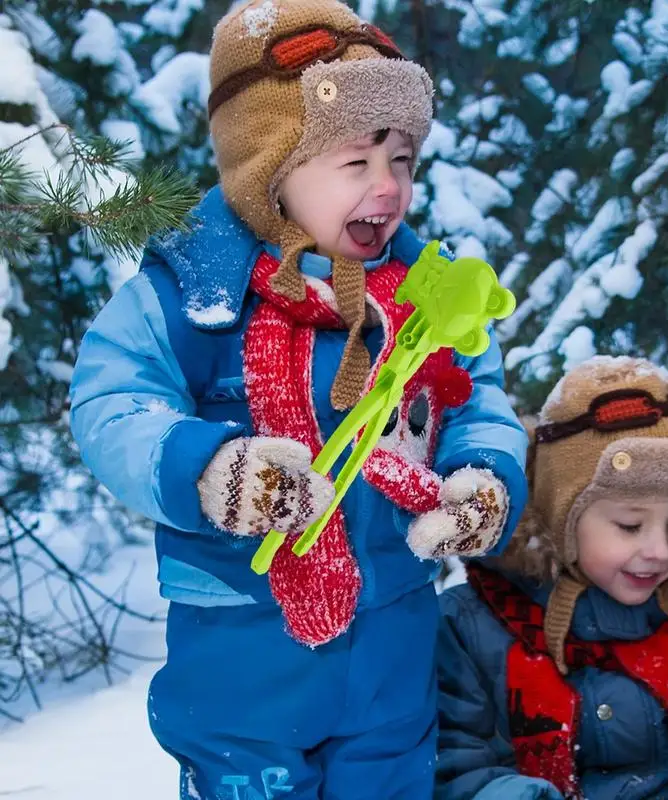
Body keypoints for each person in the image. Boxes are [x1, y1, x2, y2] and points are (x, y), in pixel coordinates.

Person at [68, 1, 528, 798]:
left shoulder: (424, 298)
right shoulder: (190, 297)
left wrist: (482, 476)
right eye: (357, 161)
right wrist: (209, 466)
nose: (388, 186)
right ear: (270, 171)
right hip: (243, 652)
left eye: (405, 159)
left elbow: (479, 400)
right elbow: (112, 404)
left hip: (393, 641)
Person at [436, 355, 668, 800]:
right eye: (630, 525)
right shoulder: (472, 630)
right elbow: (457, 766)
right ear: (560, 516)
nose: (661, 550)